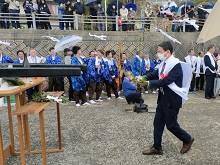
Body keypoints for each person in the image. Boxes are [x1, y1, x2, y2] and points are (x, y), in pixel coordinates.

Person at [142, 41, 194, 155]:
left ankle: (187, 139)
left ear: (168, 52)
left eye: (160, 52)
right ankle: (157, 147)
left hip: (172, 100)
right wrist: (143, 77)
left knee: (171, 125)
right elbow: (155, 74)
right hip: (163, 98)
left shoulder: (175, 65)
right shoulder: (164, 63)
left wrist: (148, 83)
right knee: (158, 123)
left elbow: (166, 81)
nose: (158, 54)